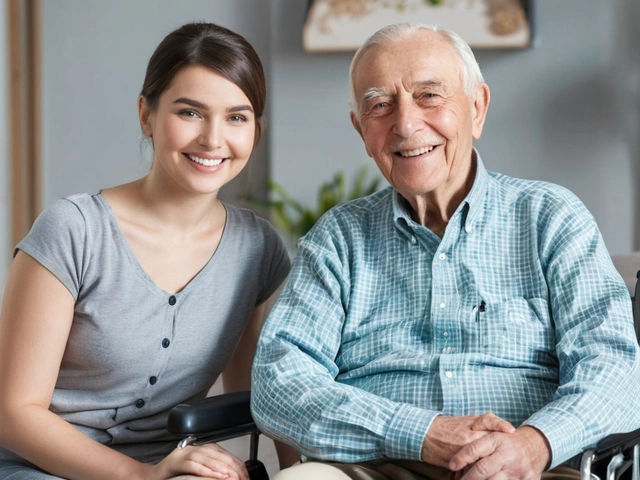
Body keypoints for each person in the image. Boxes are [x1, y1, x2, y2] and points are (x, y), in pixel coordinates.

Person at [250, 22, 640, 480]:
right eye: (380, 105)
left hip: (528, 469)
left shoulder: (551, 218)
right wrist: (422, 433)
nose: (406, 124)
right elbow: (277, 383)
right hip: (370, 469)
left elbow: (615, 372)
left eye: (429, 96)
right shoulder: (338, 238)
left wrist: (535, 446)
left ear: (477, 108)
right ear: (361, 129)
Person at [0, 22, 292, 480]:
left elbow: (258, 400)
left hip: (172, 469)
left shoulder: (258, 248)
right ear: (146, 114)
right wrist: (141, 476)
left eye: (237, 117)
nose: (214, 139)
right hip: (38, 466)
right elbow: (14, 413)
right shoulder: (73, 230)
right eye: (190, 113)